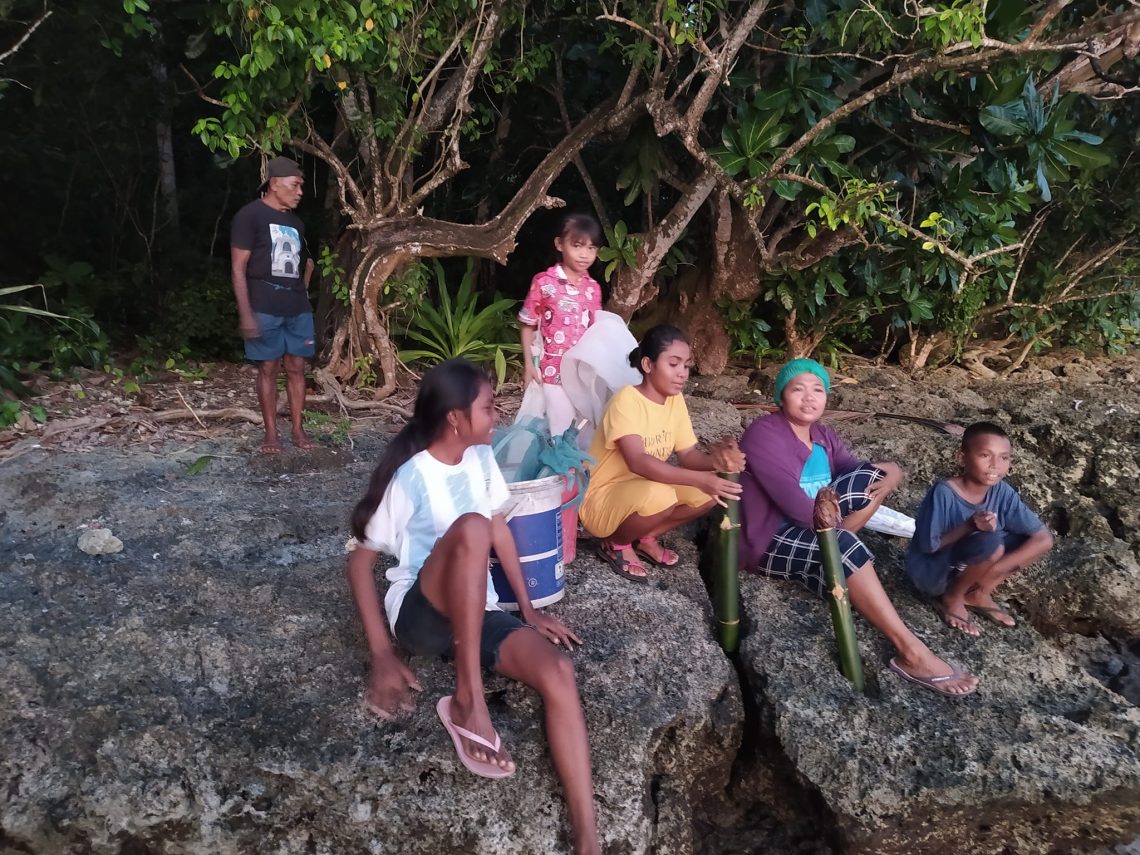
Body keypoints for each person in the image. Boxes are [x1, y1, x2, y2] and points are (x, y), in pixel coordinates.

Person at [345, 359, 600, 855]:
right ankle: (469, 699)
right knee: (470, 527)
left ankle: (588, 837)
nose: (497, 413)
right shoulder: (411, 477)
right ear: (455, 418)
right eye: (487, 406)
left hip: (476, 613)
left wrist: (528, 610)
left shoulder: (481, 459)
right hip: (423, 616)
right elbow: (360, 564)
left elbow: (500, 527)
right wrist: (381, 654)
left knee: (559, 671)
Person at [739, 358, 979, 698]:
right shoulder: (764, 434)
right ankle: (911, 652)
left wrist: (892, 472)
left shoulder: (822, 434)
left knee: (868, 480)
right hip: (771, 539)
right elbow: (799, 511)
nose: (809, 398)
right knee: (843, 543)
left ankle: (844, 543)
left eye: (818, 390)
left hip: (823, 525)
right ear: (781, 396)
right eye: (798, 389)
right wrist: (852, 517)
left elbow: (858, 472)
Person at [580, 325, 743, 583]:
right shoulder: (627, 401)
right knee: (665, 494)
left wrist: (718, 461)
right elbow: (638, 461)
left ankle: (644, 537)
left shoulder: (674, 401)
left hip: (642, 491)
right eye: (674, 364)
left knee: (710, 492)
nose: (682, 374)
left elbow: (688, 455)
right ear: (648, 364)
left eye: (686, 366)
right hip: (602, 498)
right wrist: (699, 478)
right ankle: (616, 544)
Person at [906, 421, 1054, 636]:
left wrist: (990, 572)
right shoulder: (944, 492)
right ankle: (952, 597)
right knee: (992, 542)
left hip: (971, 566)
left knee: (1032, 540)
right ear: (962, 457)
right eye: (985, 455)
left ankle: (979, 592)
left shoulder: (1002, 491)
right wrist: (969, 526)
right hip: (933, 571)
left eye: (1004, 458)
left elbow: (1042, 538)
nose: (995, 465)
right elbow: (929, 547)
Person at [230, 155, 317, 455]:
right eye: (295, 185)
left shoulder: (296, 222)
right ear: (275, 183)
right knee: (268, 367)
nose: (300, 191)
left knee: (297, 366)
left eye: (301, 186)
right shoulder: (249, 216)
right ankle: (270, 434)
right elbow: (238, 268)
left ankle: (297, 429)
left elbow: (300, 265)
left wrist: (304, 294)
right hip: (263, 304)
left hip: (297, 305)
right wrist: (246, 312)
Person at [518, 213, 604, 436]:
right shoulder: (544, 283)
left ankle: (575, 470)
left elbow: (596, 332)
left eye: (591, 248)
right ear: (559, 244)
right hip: (551, 372)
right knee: (560, 428)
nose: (585, 254)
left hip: (583, 374)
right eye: (577, 246)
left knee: (584, 431)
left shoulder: (593, 288)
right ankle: (560, 470)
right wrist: (529, 365)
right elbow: (528, 324)